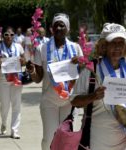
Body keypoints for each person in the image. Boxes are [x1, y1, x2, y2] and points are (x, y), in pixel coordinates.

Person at [70, 23, 126, 150]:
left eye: (121, 43)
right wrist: (93, 96)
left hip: (124, 138)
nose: (117, 47)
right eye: (113, 42)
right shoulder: (91, 70)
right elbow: (74, 101)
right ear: (104, 45)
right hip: (97, 139)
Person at [27, 13, 83, 150]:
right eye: (56, 25)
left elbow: (83, 75)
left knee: (65, 138)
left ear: (67, 29)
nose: (58, 28)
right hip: (49, 101)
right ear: (52, 28)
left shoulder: (75, 48)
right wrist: (31, 71)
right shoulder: (42, 48)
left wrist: (80, 65)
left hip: (68, 101)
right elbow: (38, 78)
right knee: (49, 138)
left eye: (62, 25)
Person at [0, 26, 26, 139]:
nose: (9, 37)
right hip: (3, 80)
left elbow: (24, 62)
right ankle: (4, 122)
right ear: (3, 36)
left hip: (16, 79)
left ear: (14, 36)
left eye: (11, 34)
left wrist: (22, 61)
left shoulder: (18, 47)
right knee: (4, 106)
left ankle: (14, 130)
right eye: (6, 34)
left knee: (16, 105)